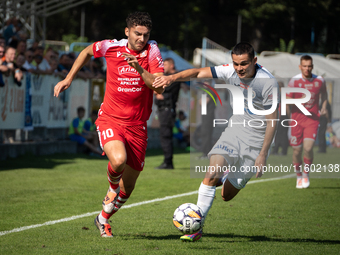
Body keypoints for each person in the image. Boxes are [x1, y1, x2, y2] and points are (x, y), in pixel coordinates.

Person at [153, 42, 279, 242]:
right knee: (211, 174)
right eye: (236, 64)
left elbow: (273, 120)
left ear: (255, 61)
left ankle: (228, 175)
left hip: (257, 142)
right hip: (235, 132)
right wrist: (171, 78)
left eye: (244, 64)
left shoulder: (268, 82)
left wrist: (263, 154)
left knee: (226, 195)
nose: (239, 68)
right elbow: (197, 73)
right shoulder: (229, 71)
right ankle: (197, 228)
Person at [54, 12, 164, 238]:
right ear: (127, 31)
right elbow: (85, 51)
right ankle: (111, 188)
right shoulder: (111, 47)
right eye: (137, 34)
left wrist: (140, 69)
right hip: (111, 119)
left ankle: (102, 219)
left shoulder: (152, 51)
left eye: (145, 34)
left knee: (129, 188)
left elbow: (159, 88)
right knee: (119, 160)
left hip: (138, 125)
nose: (141, 39)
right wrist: (68, 78)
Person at [287, 55, 327, 189]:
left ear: (312, 66)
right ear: (300, 67)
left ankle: (306, 173)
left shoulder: (320, 80)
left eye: (309, 66)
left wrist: (324, 107)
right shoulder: (294, 81)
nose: (307, 68)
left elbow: (324, 95)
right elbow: (287, 99)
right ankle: (298, 176)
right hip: (296, 120)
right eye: (304, 66)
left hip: (312, 120)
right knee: (297, 150)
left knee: (308, 148)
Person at [154, 58, 181, 169]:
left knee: (166, 136)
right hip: (164, 110)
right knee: (164, 136)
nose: (163, 67)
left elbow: (160, 91)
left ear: (171, 65)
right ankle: (167, 161)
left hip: (167, 110)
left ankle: (168, 162)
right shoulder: (167, 78)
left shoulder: (174, 78)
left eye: (165, 65)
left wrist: (157, 92)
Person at [272, 81, 289, 155]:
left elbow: (286, 106)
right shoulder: (281, 95)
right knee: (280, 134)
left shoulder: (282, 95)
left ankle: (282, 150)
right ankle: (277, 150)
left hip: (282, 116)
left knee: (281, 134)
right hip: (281, 116)